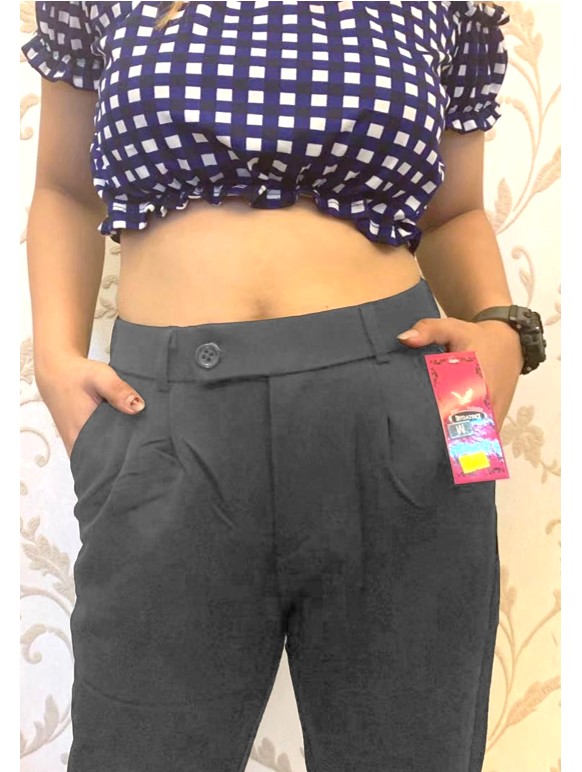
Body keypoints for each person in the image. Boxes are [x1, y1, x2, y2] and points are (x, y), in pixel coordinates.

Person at [21, 1, 546, 770]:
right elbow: (66, 190)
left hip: (419, 404)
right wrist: (55, 362)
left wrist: (503, 328)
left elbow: (454, 212)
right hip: (159, 418)